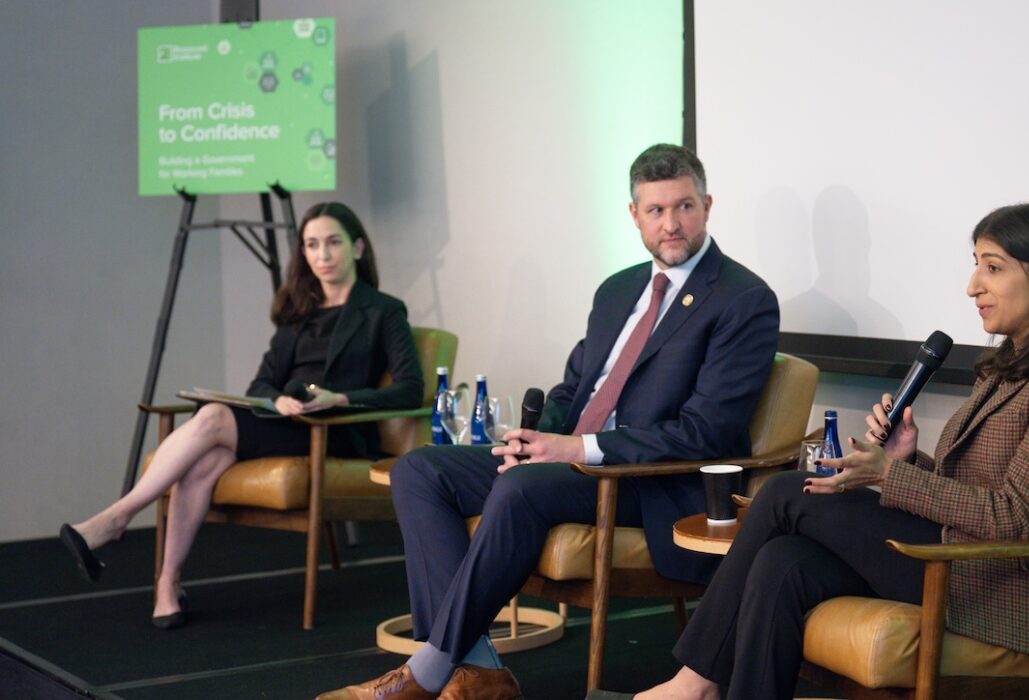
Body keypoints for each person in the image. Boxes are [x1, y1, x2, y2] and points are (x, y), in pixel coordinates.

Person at [316, 144, 781, 700]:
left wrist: (578, 449)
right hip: (568, 464)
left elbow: (704, 432)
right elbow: (573, 388)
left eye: (684, 206)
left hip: (651, 482)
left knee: (522, 487)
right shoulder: (617, 290)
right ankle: (478, 670)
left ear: (707, 205)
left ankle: (429, 670)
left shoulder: (743, 299)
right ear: (634, 215)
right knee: (419, 471)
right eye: (655, 210)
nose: (671, 224)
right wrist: (535, 438)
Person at [632, 201, 1029, 699]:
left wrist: (888, 474)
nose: (973, 286)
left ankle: (693, 683)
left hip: (1007, 583)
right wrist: (910, 460)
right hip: (961, 555)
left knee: (785, 493)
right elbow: (975, 490)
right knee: (782, 561)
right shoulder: (1009, 364)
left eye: (993, 268)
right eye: (976, 265)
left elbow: (1016, 516)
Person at [59, 202, 423, 629]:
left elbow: (410, 387)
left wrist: (341, 398)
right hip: (286, 421)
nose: (322, 255)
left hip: (334, 430)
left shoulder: (383, 310)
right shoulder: (298, 312)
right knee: (205, 463)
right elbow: (261, 384)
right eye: (311, 245)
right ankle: (167, 584)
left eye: (333, 243)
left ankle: (118, 517)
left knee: (213, 418)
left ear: (357, 248)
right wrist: (279, 401)